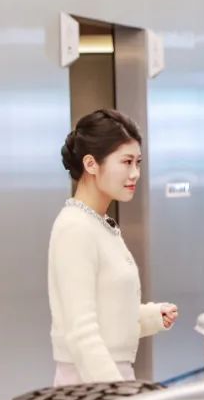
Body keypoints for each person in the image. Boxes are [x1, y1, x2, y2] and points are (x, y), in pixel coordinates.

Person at [49, 109, 178, 385]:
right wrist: (117, 392)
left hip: (107, 377)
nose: (135, 173)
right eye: (126, 162)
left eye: (138, 163)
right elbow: (80, 332)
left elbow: (107, 311)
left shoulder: (98, 223)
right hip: (89, 383)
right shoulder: (75, 228)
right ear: (91, 164)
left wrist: (151, 317)